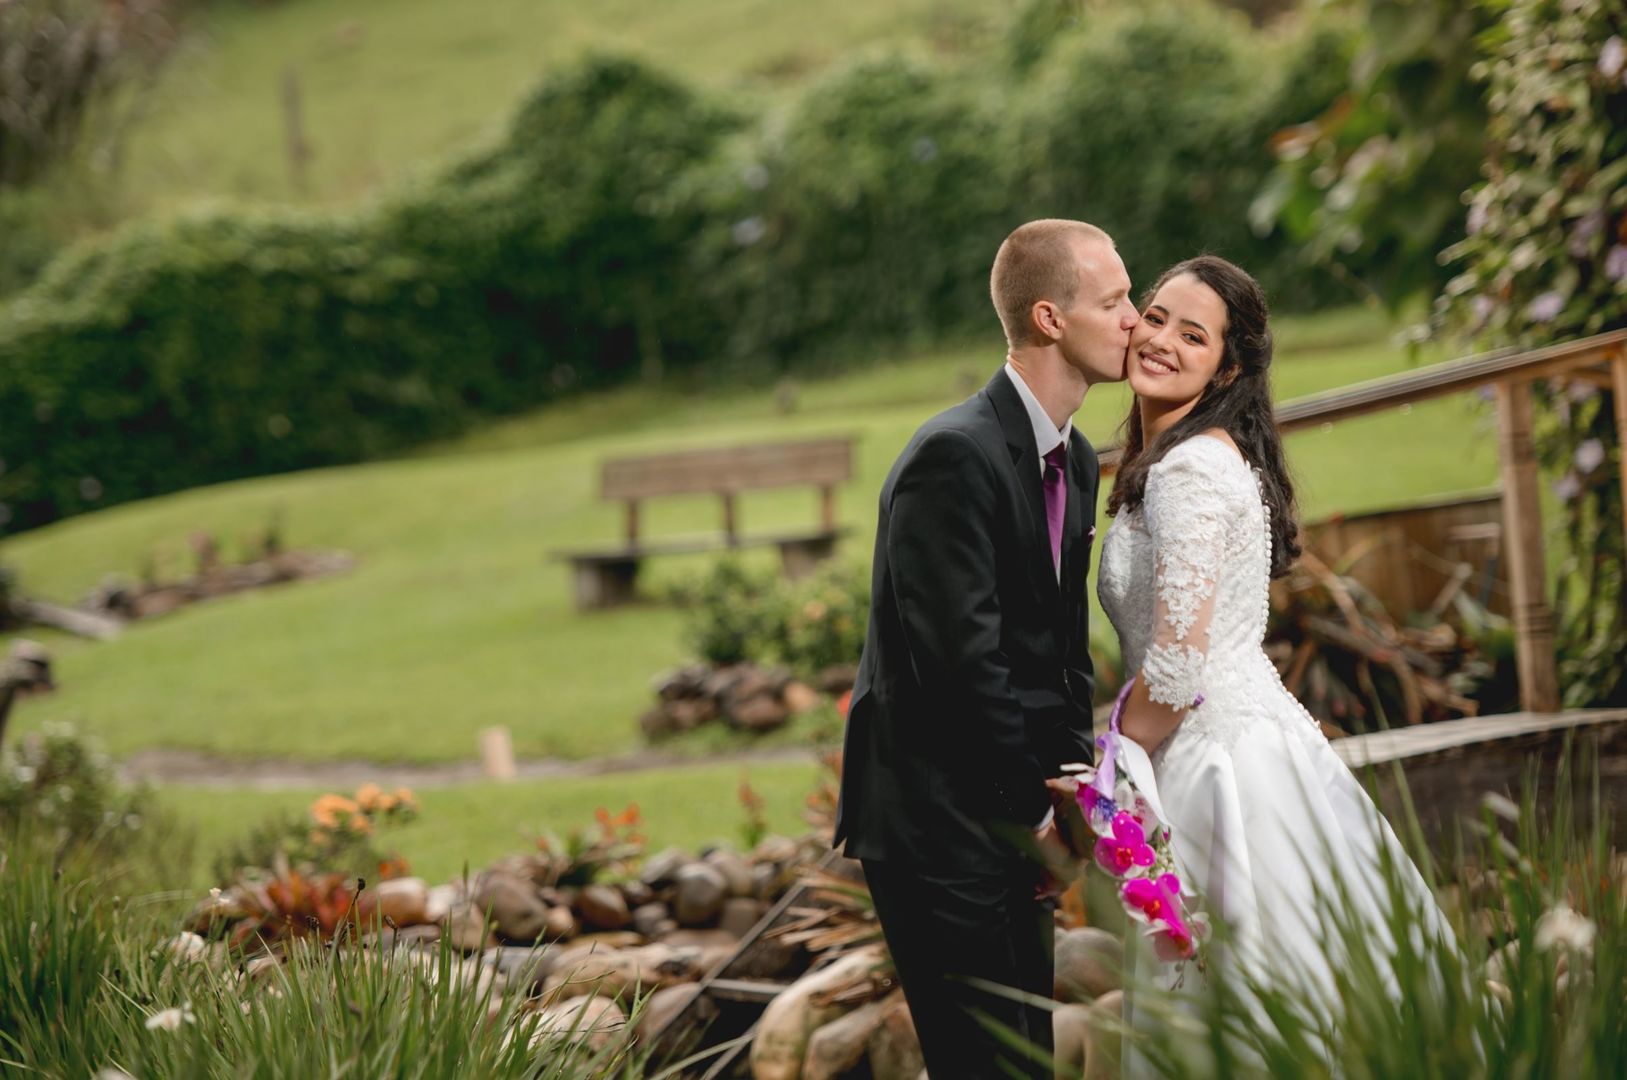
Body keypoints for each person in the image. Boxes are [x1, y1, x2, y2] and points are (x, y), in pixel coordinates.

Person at [1095, 254, 1455, 1070]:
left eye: (1191, 335)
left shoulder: (1188, 469)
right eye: (1153, 317)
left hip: (1207, 758)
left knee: (1237, 1002)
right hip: (1252, 742)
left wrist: (1115, 754)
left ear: (1225, 367)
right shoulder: (1203, 454)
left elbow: (1179, 668)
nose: (1159, 341)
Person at [834, 218, 1138, 1078]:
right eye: (1113, 301)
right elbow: (961, 665)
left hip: (1013, 816)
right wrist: (1036, 819)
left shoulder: (1073, 458)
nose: (1134, 319)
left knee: (1025, 1067)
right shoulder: (952, 456)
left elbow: (1059, 654)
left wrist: (1071, 803)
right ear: (1049, 318)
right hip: (936, 822)